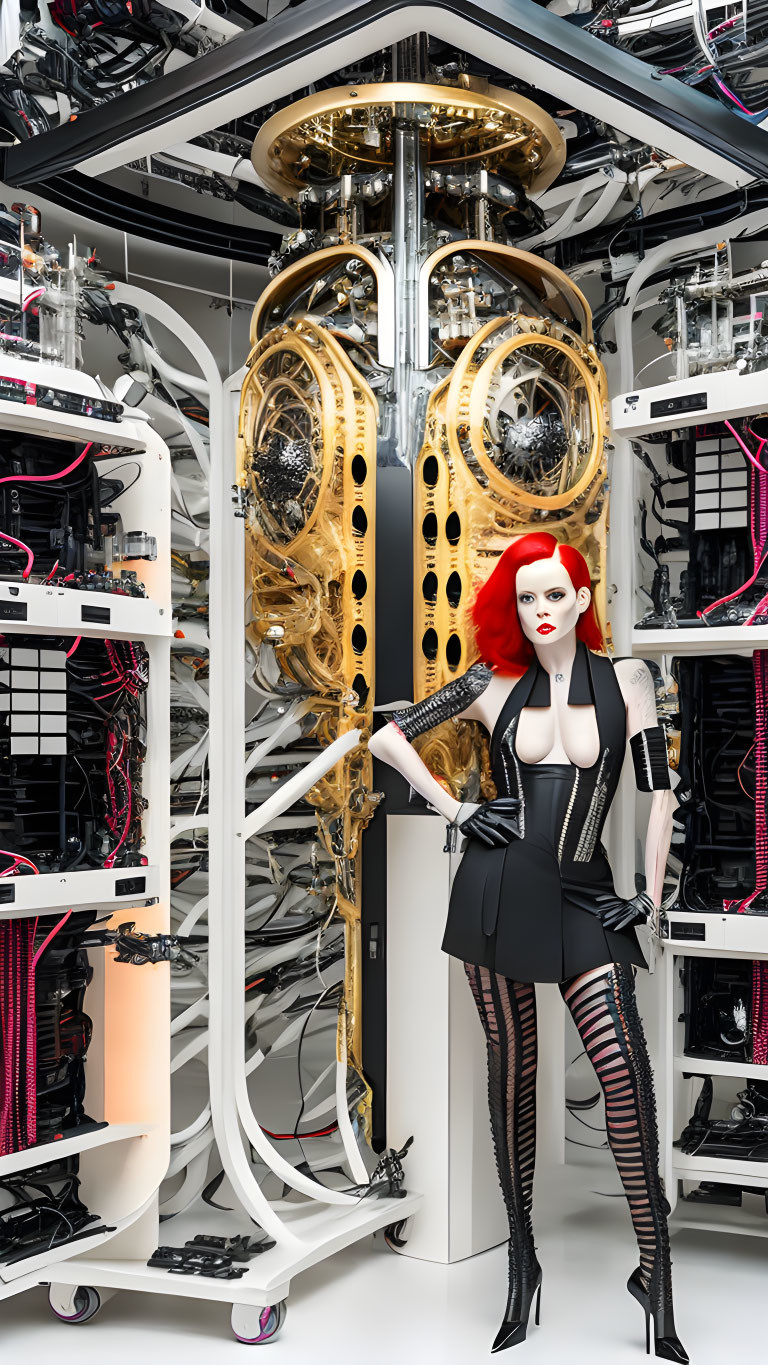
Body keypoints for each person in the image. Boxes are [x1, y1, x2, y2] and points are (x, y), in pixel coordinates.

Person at [367, 531, 687, 1360]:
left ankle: (657, 1272)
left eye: (555, 594)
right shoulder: (489, 683)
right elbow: (387, 735)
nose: (541, 611)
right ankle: (522, 1262)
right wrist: (459, 809)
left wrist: (647, 897)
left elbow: (660, 791)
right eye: (526, 598)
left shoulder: (628, 679)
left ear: (582, 597)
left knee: (625, 1076)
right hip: (496, 890)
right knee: (512, 1078)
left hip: (586, 894)